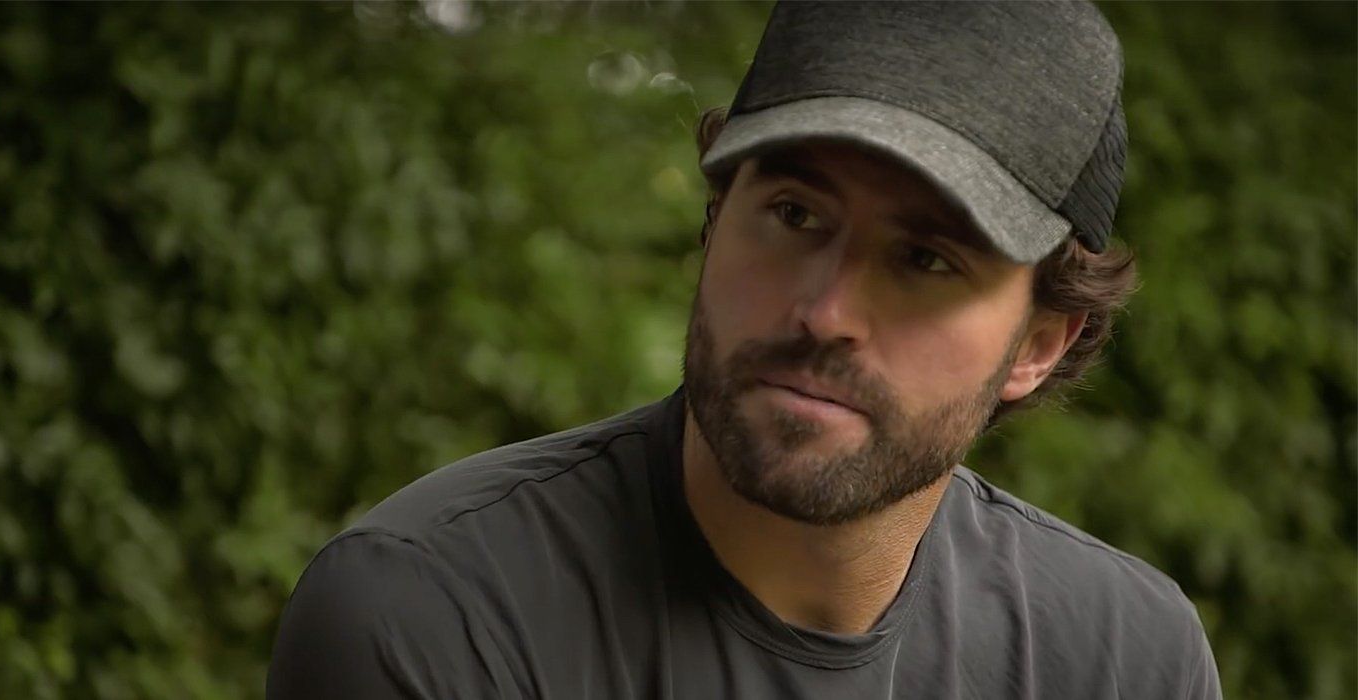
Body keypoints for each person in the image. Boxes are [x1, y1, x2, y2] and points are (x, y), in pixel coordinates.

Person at [267, 2, 1222, 698]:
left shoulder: (1122, 659)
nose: (827, 311)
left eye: (926, 260)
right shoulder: (439, 612)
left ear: (1038, 345)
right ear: (716, 216)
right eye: (795, 215)